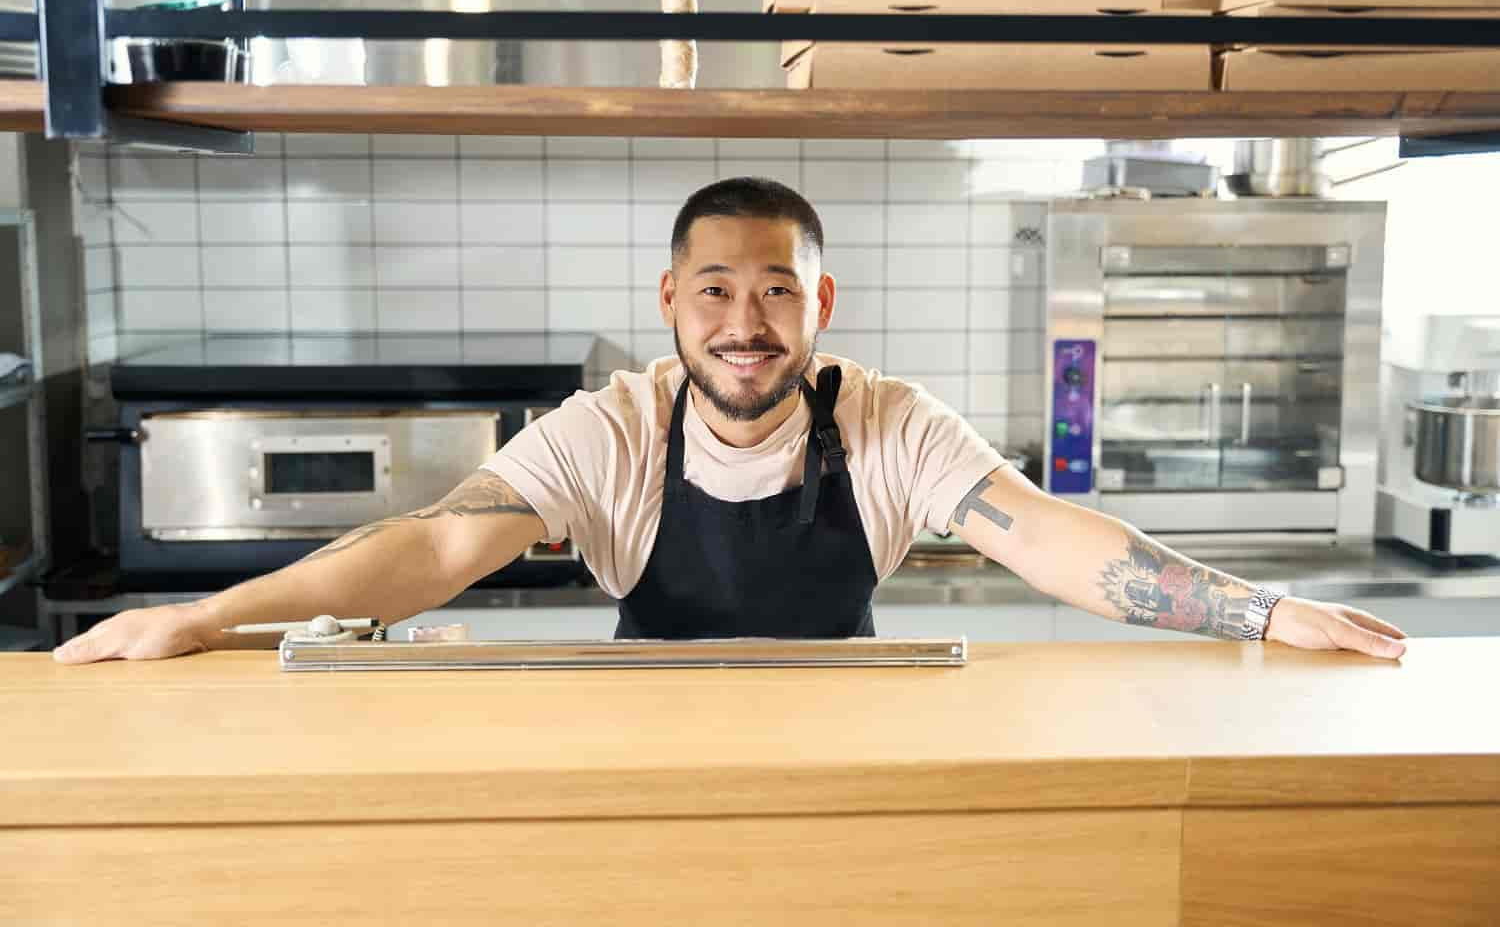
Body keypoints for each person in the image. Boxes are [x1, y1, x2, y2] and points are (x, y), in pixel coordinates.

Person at [53, 177, 1408, 664]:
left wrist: (1257, 611)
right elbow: (427, 550)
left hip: (857, 741)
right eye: (717, 290)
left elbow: (1049, 541)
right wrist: (206, 615)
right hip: (647, 744)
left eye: (776, 291)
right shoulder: (611, 427)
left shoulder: (886, 421)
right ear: (672, 301)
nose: (745, 323)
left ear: (820, 302)